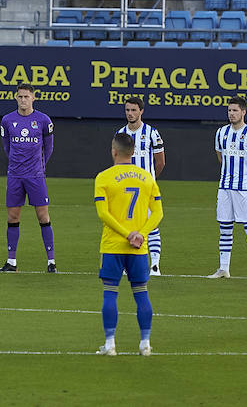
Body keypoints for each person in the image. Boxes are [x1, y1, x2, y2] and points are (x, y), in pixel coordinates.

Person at [93, 132, 163, 357]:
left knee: (110, 293)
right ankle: (145, 344)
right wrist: (140, 234)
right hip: (139, 248)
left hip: (113, 246)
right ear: (133, 153)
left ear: (114, 151)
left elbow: (103, 214)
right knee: (141, 293)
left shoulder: (103, 177)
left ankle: (110, 344)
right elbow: (158, 213)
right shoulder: (147, 177)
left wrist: (126, 234)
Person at [0, 85, 56, 273]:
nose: (23, 100)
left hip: (36, 176)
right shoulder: (7, 120)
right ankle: (11, 262)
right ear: (16, 98)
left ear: (33, 98)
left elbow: (49, 147)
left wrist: (39, 165)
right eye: (20, 96)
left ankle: (51, 262)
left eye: (26, 97)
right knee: (13, 217)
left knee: (43, 217)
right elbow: (7, 147)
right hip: (15, 175)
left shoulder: (43, 120)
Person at [209, 95, 247, 281]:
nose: (231, 114)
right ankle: (223, 268)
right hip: (225, 187)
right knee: (225, 228)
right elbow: (220, 157)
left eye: (235, 110)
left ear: (243, 111)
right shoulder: (221, 133)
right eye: (229, 110)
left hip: (244, 189)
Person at [116, 96, 166, 275]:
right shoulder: (120, 133)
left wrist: (150, 180)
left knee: (151, 225)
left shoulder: (152, 133)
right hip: (125, 189)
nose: (130, 113)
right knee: (126, 226)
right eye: (127, 110)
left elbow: (160, 162)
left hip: (146, 189)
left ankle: (155, 265)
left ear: (141, 111)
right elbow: (117, 161)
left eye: (133, 110)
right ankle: (127, 265)